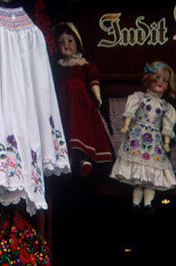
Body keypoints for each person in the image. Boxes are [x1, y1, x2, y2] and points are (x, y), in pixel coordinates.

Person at [110, 61, 176, 210]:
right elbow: (130, 112)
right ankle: (136, 202)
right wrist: (126, 125)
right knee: (138, 176)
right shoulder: (139, 97)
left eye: (165, 81)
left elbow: (167, 126)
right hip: (138, 135)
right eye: (158, 78)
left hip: (154, 139)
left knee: (151, 175)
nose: (161, 82)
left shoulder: (166, 106)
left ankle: (148, 203)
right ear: (149, 78)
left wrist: (166, 143)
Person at [53, 22, 114, 177]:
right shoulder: (57, 67)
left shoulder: (84, 65)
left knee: (81, 128)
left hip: (80, 103)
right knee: (66, 129)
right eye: (61, 42)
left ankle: (84, 158)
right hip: (63, 104)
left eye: (69, 41)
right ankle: (71, 159)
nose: (65, 45)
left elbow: (93, 81)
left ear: (77, 43)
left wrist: (97, 96)